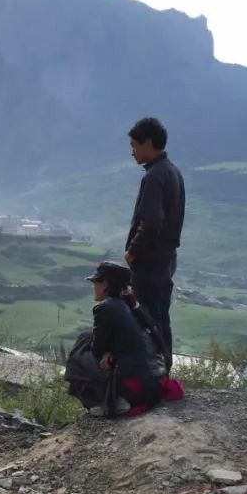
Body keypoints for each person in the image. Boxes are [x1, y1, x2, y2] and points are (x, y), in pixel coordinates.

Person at [65, 261, 184, 417]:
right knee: (86, 337)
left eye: (96, 283)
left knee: (78, 357)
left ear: (105, 284)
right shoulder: (129, 304)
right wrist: (110, 351)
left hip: (136, 386)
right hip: (153, 381)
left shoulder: (105, 308)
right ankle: (115, 398)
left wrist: (106, 352)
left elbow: (97, 349)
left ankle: (106, 402)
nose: (94, 287)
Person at [124, 116, 185, 358]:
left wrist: (132, 252)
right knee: (161, 318)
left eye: (134, 145)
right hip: (166, 259)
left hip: (151, 262)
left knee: (146, 319)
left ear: (148, 143)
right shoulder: (172, 172)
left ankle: (152, 373)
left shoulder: (155, 176)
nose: (132, 152)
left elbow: (150, 222)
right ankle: (163, 371)